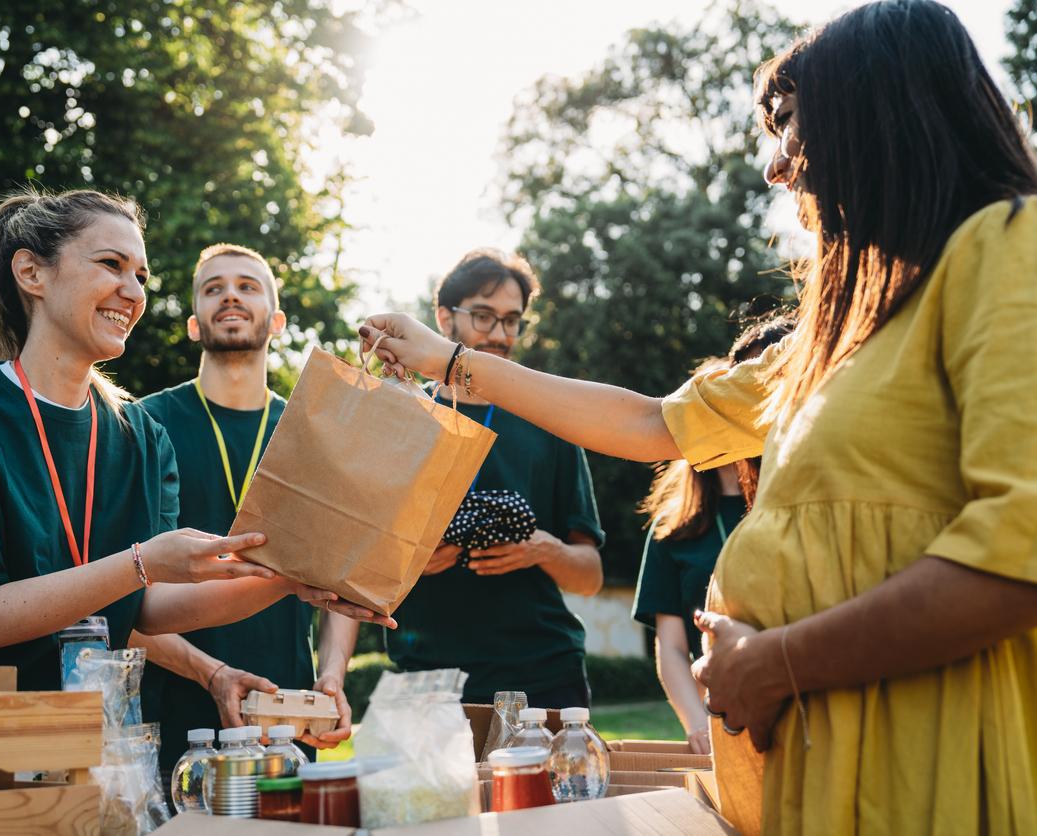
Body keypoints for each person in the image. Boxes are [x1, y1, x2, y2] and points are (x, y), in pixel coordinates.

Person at [357, 2, 1037, 832]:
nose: (775, 166)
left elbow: (1019, 554)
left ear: (878, 107)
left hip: (926, 752)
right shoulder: (838, 335)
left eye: (788, 124)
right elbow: (653, 424)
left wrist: (776, 660)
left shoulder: (1008, 246)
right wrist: (449, 365)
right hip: (816, 764)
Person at [0, 188, 388, 692]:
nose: (134, 292)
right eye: (112, 264)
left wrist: (293, 582)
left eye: (141, 277)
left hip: (108, 738)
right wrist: (140, 563)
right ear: (31, 273)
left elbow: (153, 610)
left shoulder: (142, 436)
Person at [133, 243, 359, 776]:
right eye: (213, 288)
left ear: (276, 319)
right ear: (193, 324)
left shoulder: (314, 435)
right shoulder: (142, 425)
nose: (230, 295)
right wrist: (210, 673)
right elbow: (121, 588)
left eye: (247, 286)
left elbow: (337, 582)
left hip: (284, 715)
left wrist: (331, 677)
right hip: (172, 714)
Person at [384, 249, 605, 708]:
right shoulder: (402, 416)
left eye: (512, 320)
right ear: (444, 318)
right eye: (484, 317)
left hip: (543, 674)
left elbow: (590, 577)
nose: (500, 335)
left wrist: (543, 549)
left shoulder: (552, 420)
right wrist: (407, 561)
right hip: (428, 680)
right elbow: (353, 559)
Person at [632, 318, 793, 755]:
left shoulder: (787, 501)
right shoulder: (672, 528)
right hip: (722, 721)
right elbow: (670, 645)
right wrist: (698, 722)